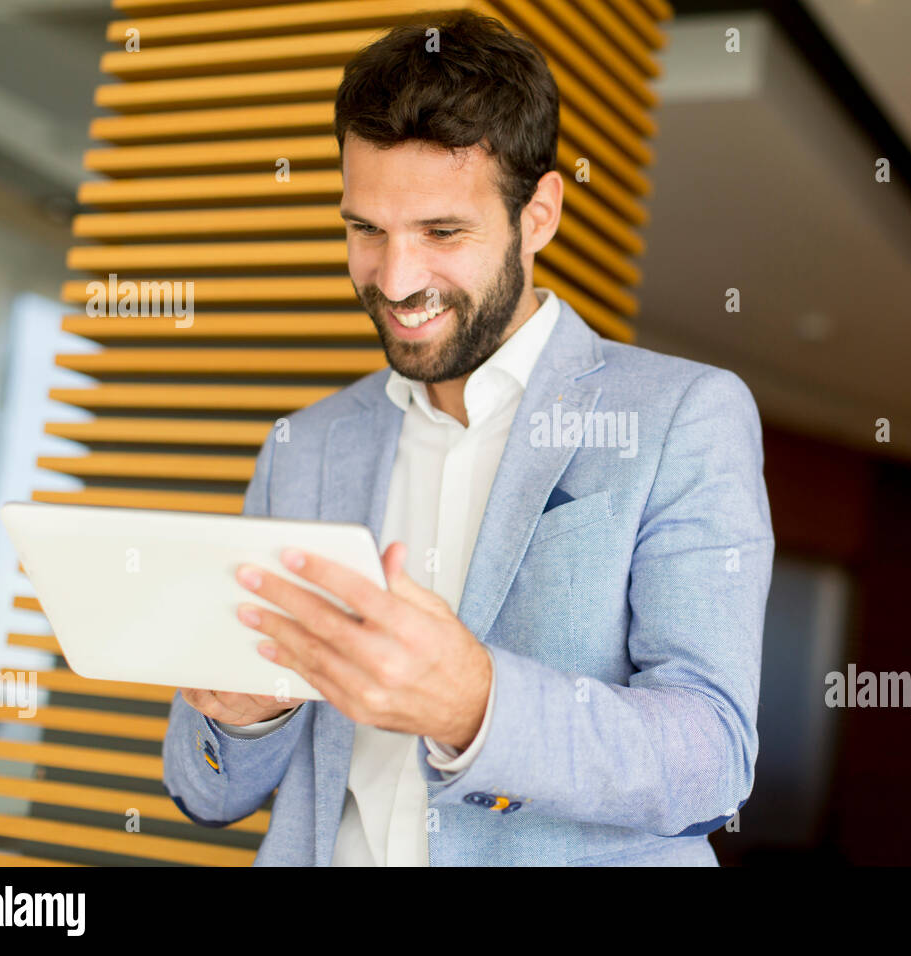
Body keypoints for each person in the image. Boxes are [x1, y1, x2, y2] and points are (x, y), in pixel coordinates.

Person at [162, 10, 773, 866]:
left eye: (442, 233)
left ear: (539, 215)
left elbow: (712, 756)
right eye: (365, 230)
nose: (397, 278)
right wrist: (245, 714)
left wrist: (477, 705)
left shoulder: (685, 416)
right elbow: (209, 791)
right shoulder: (304, 447)